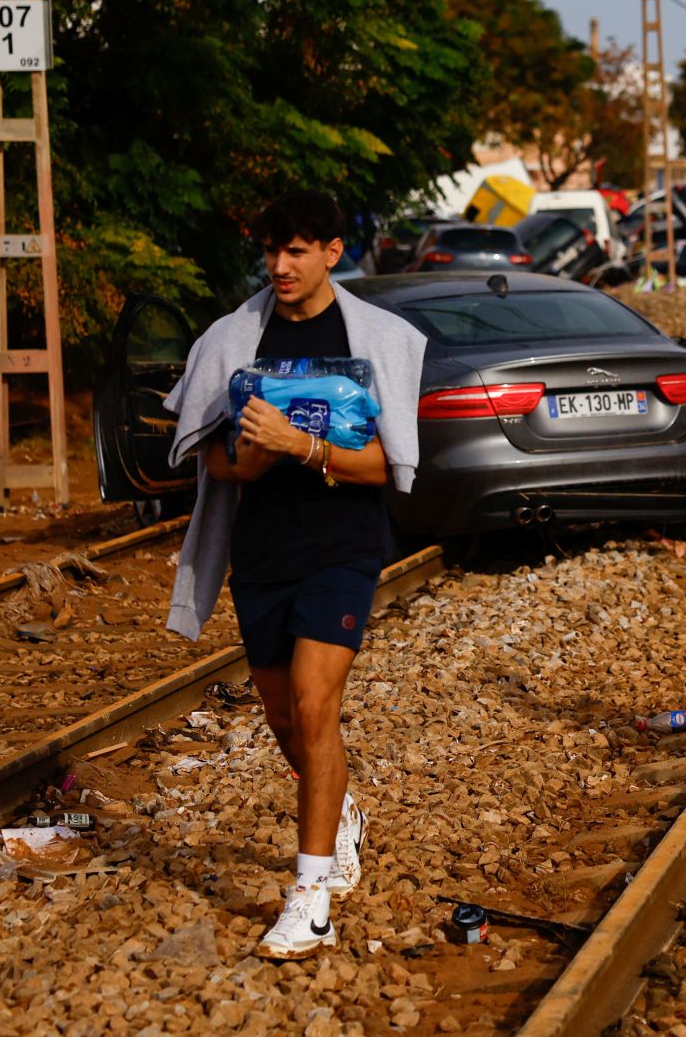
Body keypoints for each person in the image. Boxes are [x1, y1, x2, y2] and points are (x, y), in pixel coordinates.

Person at [163, 191, 425, 959]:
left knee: (315, 706)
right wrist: (261, 453)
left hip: (343, 543)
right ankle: (337, 808)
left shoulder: (375, 337)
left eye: (299, 250)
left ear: (333, 252)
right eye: (272, 250)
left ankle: (309, 897)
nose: (281, 266)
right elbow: (210, 459)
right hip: (265, 550)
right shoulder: (233, 339)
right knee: (285, 721)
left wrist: (303, 447)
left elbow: (386, 464)